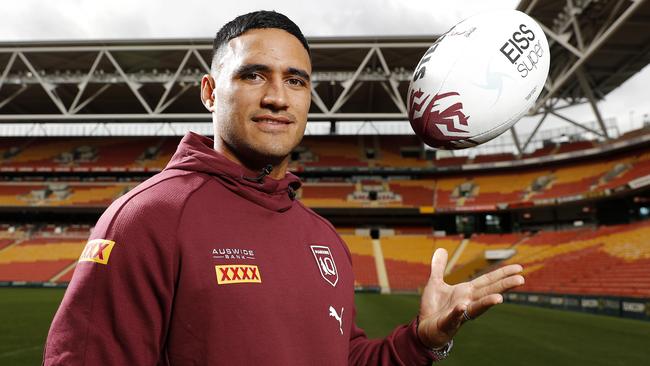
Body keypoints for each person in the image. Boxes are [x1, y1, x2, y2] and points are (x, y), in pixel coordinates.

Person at [44, 10, 524, 365]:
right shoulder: (149, 217)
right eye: (253, 75)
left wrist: (422, 340)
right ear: (210, 91)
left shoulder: (326, 240)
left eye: (295, 81)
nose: (276, 97)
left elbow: (346, 358)